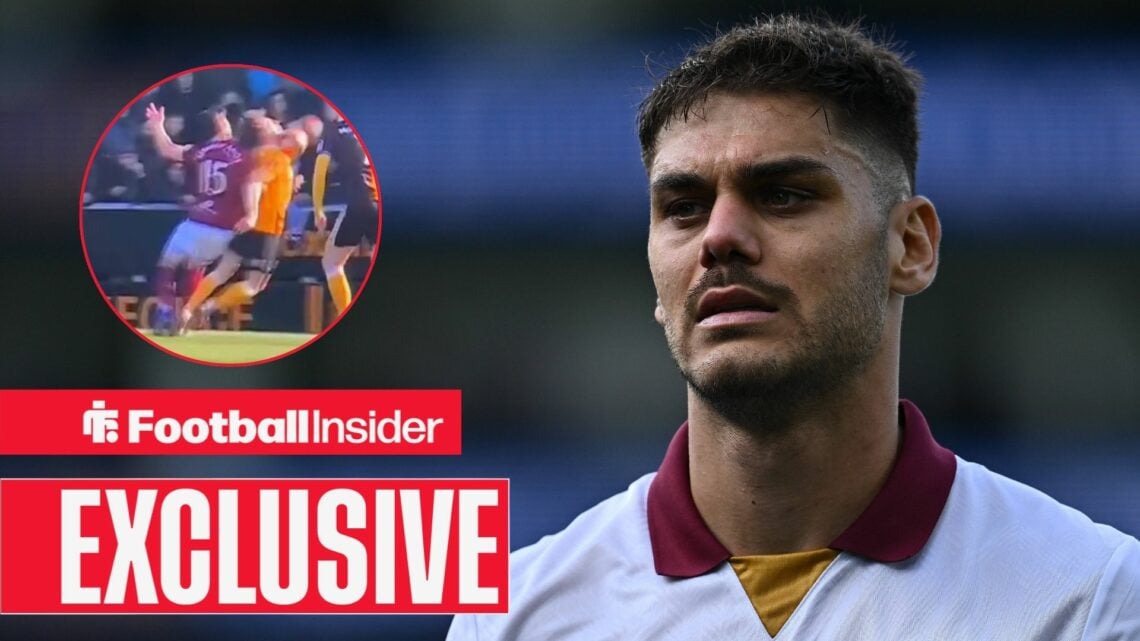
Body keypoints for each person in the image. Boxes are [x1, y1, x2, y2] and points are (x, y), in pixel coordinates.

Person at [447, 14, 1140, 640]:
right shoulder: (513, 613)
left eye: (783, 195)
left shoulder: (1084, 598)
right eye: (683, 207)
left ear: (911, 246)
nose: (719, 237)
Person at [180, 114, 308, 330]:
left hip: (247, 223)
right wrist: (253, 213)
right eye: (274, 124)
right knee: (254, 284)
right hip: (266, 227)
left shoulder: (255, 154)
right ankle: (209, 307)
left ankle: (188, 308)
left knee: (223, 270)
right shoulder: (276, 157)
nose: (279, 125)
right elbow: (255, 181)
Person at [145, 102, 254, 335]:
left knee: (167, 265)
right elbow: (249, 186)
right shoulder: (244, 156)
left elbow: (168, 150)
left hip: (197, 221)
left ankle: (166, 312)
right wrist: (251, 213)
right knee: (197, 267)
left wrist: (157, 126)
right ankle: (188, 315)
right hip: (225, 229)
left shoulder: (202, 150)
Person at [311, 105, 380, 316]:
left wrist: (318, 208)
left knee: (331, 263)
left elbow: (320, 170)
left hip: (361, 202)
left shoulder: (334, 130)